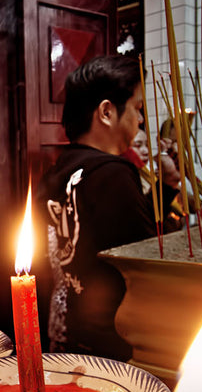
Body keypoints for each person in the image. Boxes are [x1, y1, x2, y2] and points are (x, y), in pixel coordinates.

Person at [41, 56, 180, 360]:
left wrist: (166, 188)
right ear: (107, 111)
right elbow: (147, 259)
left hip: (63, 328)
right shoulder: (113, 173)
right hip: (110, 341)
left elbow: (114, 231)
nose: (141, 120)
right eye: (138, 108)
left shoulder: (58, 171)